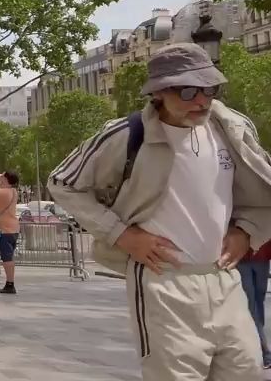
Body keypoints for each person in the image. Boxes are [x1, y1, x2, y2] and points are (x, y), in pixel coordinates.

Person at [49, 43, 271, 380]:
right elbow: (61, 182)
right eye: (187, 91)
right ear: (159, 93)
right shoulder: (126, 135)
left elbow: (259, 193)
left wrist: (245, 231)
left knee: (248, 372)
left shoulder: (233, 129)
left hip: (224, 280)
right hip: (163, 282)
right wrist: (121, 234)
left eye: (210, 89)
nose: (202, 100)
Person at [239, 240, 271, 370]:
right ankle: (264, 354)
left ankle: (261, 352)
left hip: (251, 257)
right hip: (255, 257)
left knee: (255, 306)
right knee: (255, 306)